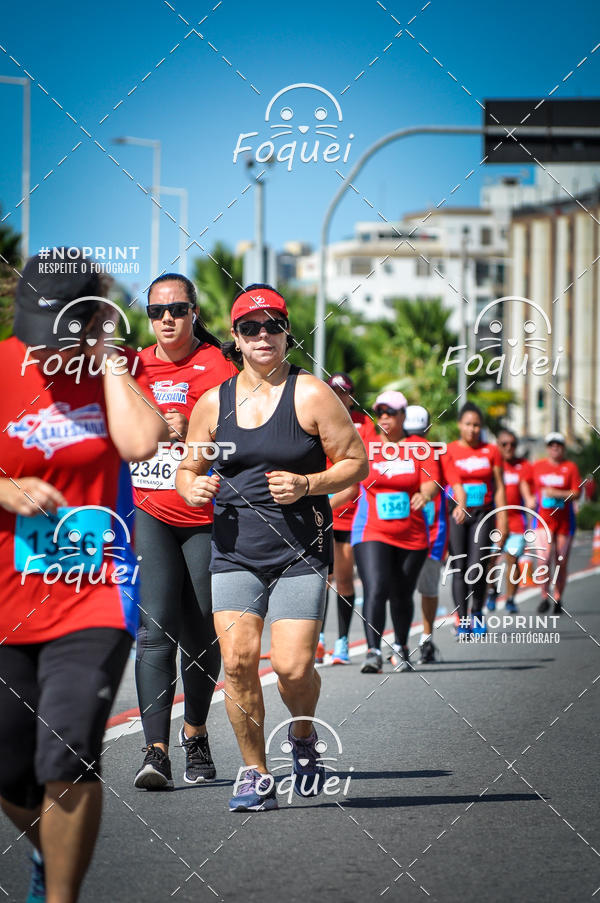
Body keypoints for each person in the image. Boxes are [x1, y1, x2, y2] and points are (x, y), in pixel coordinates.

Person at [0, 255, 166, 903]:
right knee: (10, 768)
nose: (45, 345)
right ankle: (50, 851)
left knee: (65, 753)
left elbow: (142, 442)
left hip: (96, 590)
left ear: (92, 318)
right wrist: (7, 489)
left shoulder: (104, 369)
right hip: (10, 597)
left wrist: (110, 359)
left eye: (60, 331)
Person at [176, 284, 368, 812]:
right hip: (234, 551)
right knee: (237, 663)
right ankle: (255, 773)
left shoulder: (311, 395)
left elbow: (356, 463)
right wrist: (190, 485)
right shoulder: (214, 403)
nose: (263, 336)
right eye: (250, 328)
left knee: (292, 667)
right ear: (235, 338)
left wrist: (308, 486)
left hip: (299, 554)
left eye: (273, 326)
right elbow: (188, 469)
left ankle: (303, 737)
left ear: (287, 333)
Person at [132, 274, 237, 791]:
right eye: (156, 311)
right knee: (155, 629)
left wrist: (196, 428)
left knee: (199, 633)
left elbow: (239, 436)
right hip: (151, 510)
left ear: (194, 312)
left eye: (176, 309)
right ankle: (154, 753)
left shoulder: (219, 366)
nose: (166, 319)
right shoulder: (132, 365)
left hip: (204, 518)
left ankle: (194, 732)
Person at [333, 391, 440, 674]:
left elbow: (431, 482)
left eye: (390, 412)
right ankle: (373, 651)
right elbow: (350, 485)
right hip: (371, 530)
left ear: (403, 415)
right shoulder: (365, 445)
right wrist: (319, 507)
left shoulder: (420, 447)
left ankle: (402, 647)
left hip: (412, 534)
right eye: (379, 412)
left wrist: (425, 495)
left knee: (402, 593)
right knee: (376, 587)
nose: (384, 418)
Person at [441, 402, 508, 637]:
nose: (472, 429)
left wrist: (503, 518)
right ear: (460, 425)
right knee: (460, 567)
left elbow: (499, 486)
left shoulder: (491, 451)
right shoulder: (449, 450)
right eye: (468, 424)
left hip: (483, 513)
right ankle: (462, 619)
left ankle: (478, 611)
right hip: (457, 514)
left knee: (477, 565)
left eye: (477, 425)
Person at [322, 373, 366, 666]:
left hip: (347, 517)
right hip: (320, 517)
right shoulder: (316, 421)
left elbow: (354, 484)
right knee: (318, 581)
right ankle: (319, 639)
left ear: (351, 395)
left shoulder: (363, 427)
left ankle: (342, 641)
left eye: (344, 392)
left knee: (345, 580)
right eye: (334, 391)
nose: (339, 397)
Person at [399, 405, 448, 665]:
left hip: (400, 533)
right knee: (427, 590)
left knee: (401, 590)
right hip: (432, 534)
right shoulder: (438, 453)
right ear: (428, 427)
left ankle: (401, 643)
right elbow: (453, 490)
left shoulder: (393, 450)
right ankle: (426, 640)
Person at [484, 428, 535, 614]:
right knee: (490, 561)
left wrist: (530, 502)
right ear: (498, 445)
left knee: (512, 561)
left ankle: (511, 598)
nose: (509, 448)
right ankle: (492, 592)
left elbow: (526, 492)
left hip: (515, 523)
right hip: (493, 522)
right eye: (504, 444)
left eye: (513, 444)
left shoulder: (523, 466)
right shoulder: (490, 465)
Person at [532, 432, 581, 615]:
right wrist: (530, 497)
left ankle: (558, 598)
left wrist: (557, 494)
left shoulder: (570, 467)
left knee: (560, 561)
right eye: (552, 445)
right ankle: (544, 596)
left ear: (563, 448)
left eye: (558, 445)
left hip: (564, 522)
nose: (555, 448)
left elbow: (577, 493)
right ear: (547, 448)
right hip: (542, 520)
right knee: (544, 559)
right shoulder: (537, 466)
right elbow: (527, 485)